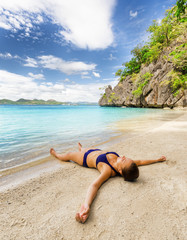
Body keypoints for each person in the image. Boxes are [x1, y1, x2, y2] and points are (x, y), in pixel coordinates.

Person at [50, 143, 166, 224]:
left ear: (120, 171)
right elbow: (140, 161)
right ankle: (82, 148)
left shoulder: (107, 170)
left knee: (68, 155)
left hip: (84, 158)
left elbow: (94, 185)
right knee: (87, 148)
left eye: (124, 160)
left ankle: (57, 154)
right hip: (95, 151)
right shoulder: (123, 163)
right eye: (126, 158)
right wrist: (157, 160)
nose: (124, 156)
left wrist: (86, 205)